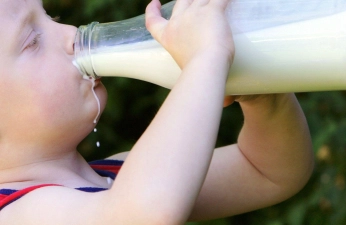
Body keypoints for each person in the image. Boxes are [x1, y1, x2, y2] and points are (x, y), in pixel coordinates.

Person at [0, 0, 314, 224]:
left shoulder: (117, 177)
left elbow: (269, 172)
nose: (71, 34)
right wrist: (205, 58)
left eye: (49, 16)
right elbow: (142, 214)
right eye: (33, 41)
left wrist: (264, 101)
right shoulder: (16, 213)